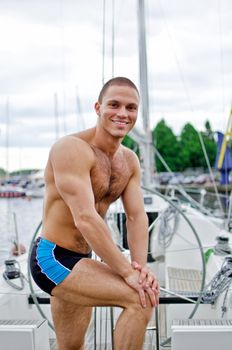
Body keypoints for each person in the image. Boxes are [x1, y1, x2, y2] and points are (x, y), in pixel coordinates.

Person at [30, 76, 160, 350]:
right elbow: (85, 217)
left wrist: (140, 268)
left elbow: (137, 218)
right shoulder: (71, 149)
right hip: (52, 258)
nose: (122, 113)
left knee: (71, 346)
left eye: (131, 107)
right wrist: (127, 273)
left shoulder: (129, 161)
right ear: (98, 108)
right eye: (114, 104)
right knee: (140, 299)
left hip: (82, 259)